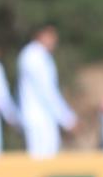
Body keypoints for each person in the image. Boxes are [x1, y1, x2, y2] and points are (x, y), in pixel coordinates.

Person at [16, 23, 77, 158]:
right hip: (38, 118)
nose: (55, 40)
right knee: (42, 160)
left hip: (44, 117)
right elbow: (46, 91)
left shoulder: (41, 56)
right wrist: (67, 118)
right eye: (51, 36)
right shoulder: (34, 56)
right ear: (40, 35)